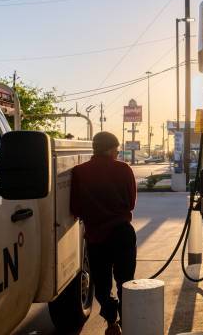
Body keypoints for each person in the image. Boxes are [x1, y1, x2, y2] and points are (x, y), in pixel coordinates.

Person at [70, 131, 137, 335]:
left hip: (96, 237)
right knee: (126, 281)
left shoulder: (79, 172)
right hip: (122, 234)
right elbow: (131, 203)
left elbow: (75, 208)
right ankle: (128, 321)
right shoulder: (124, 169)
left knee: (101, 285)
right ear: (110, 148)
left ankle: (111, 321)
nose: (117, 153)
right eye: (116, 149)